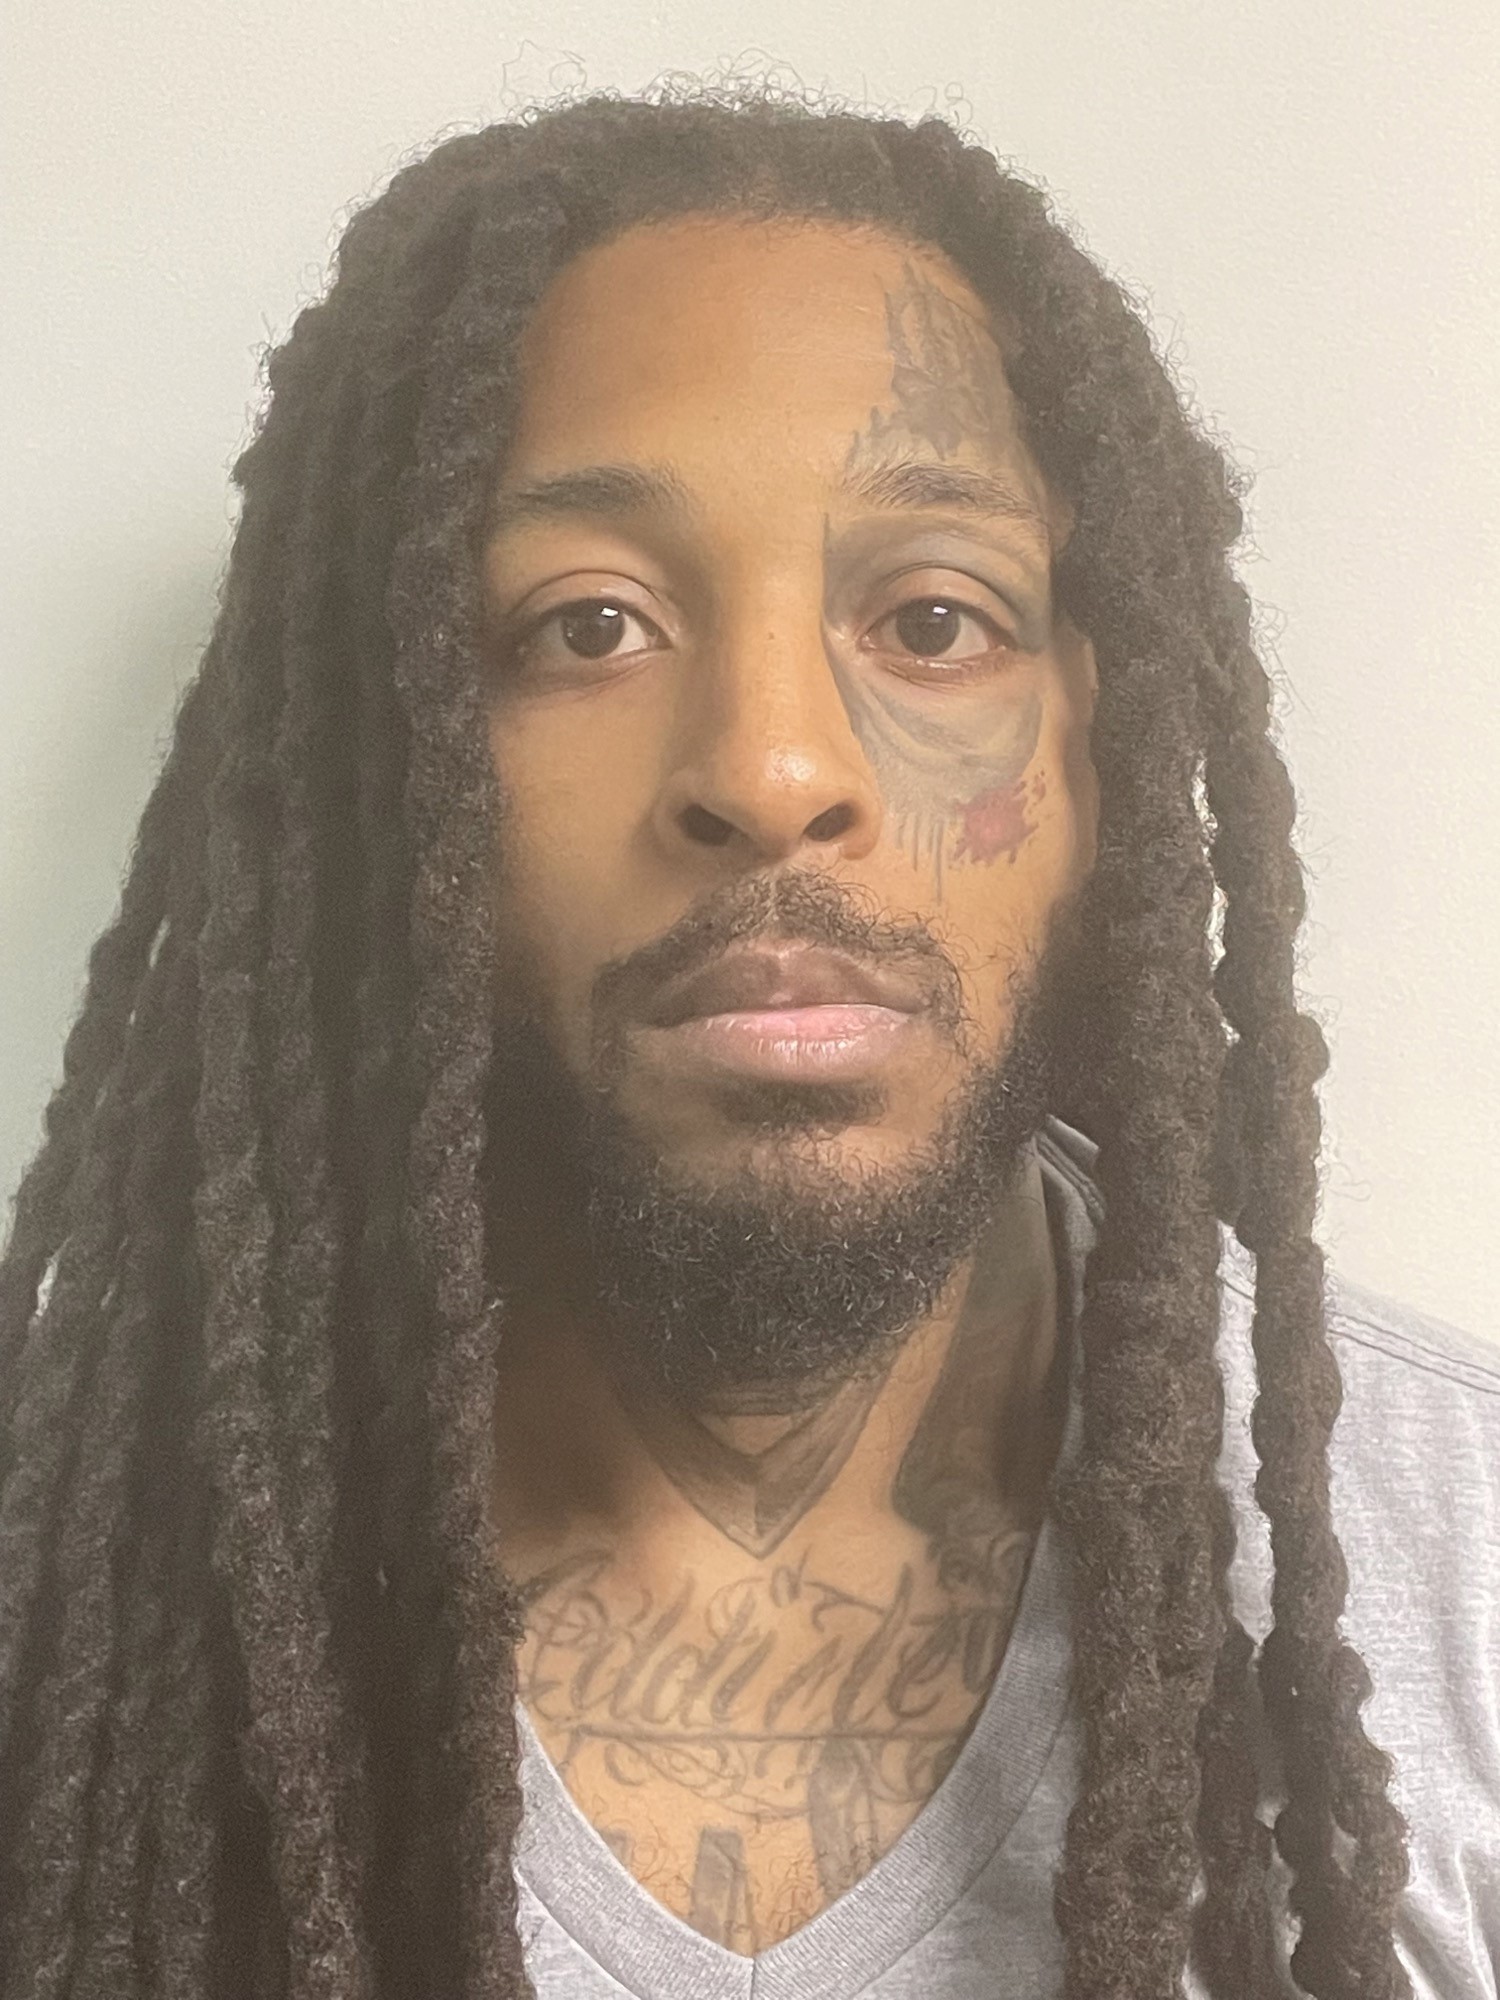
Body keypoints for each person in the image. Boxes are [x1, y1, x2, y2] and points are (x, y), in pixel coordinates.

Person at [0, 82, 1494, 2000]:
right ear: (390, 763)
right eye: (588, 627)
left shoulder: (1465, 1583)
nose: (776, 770)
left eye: (935, 618)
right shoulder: (68, 1608)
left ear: (1100, 752)